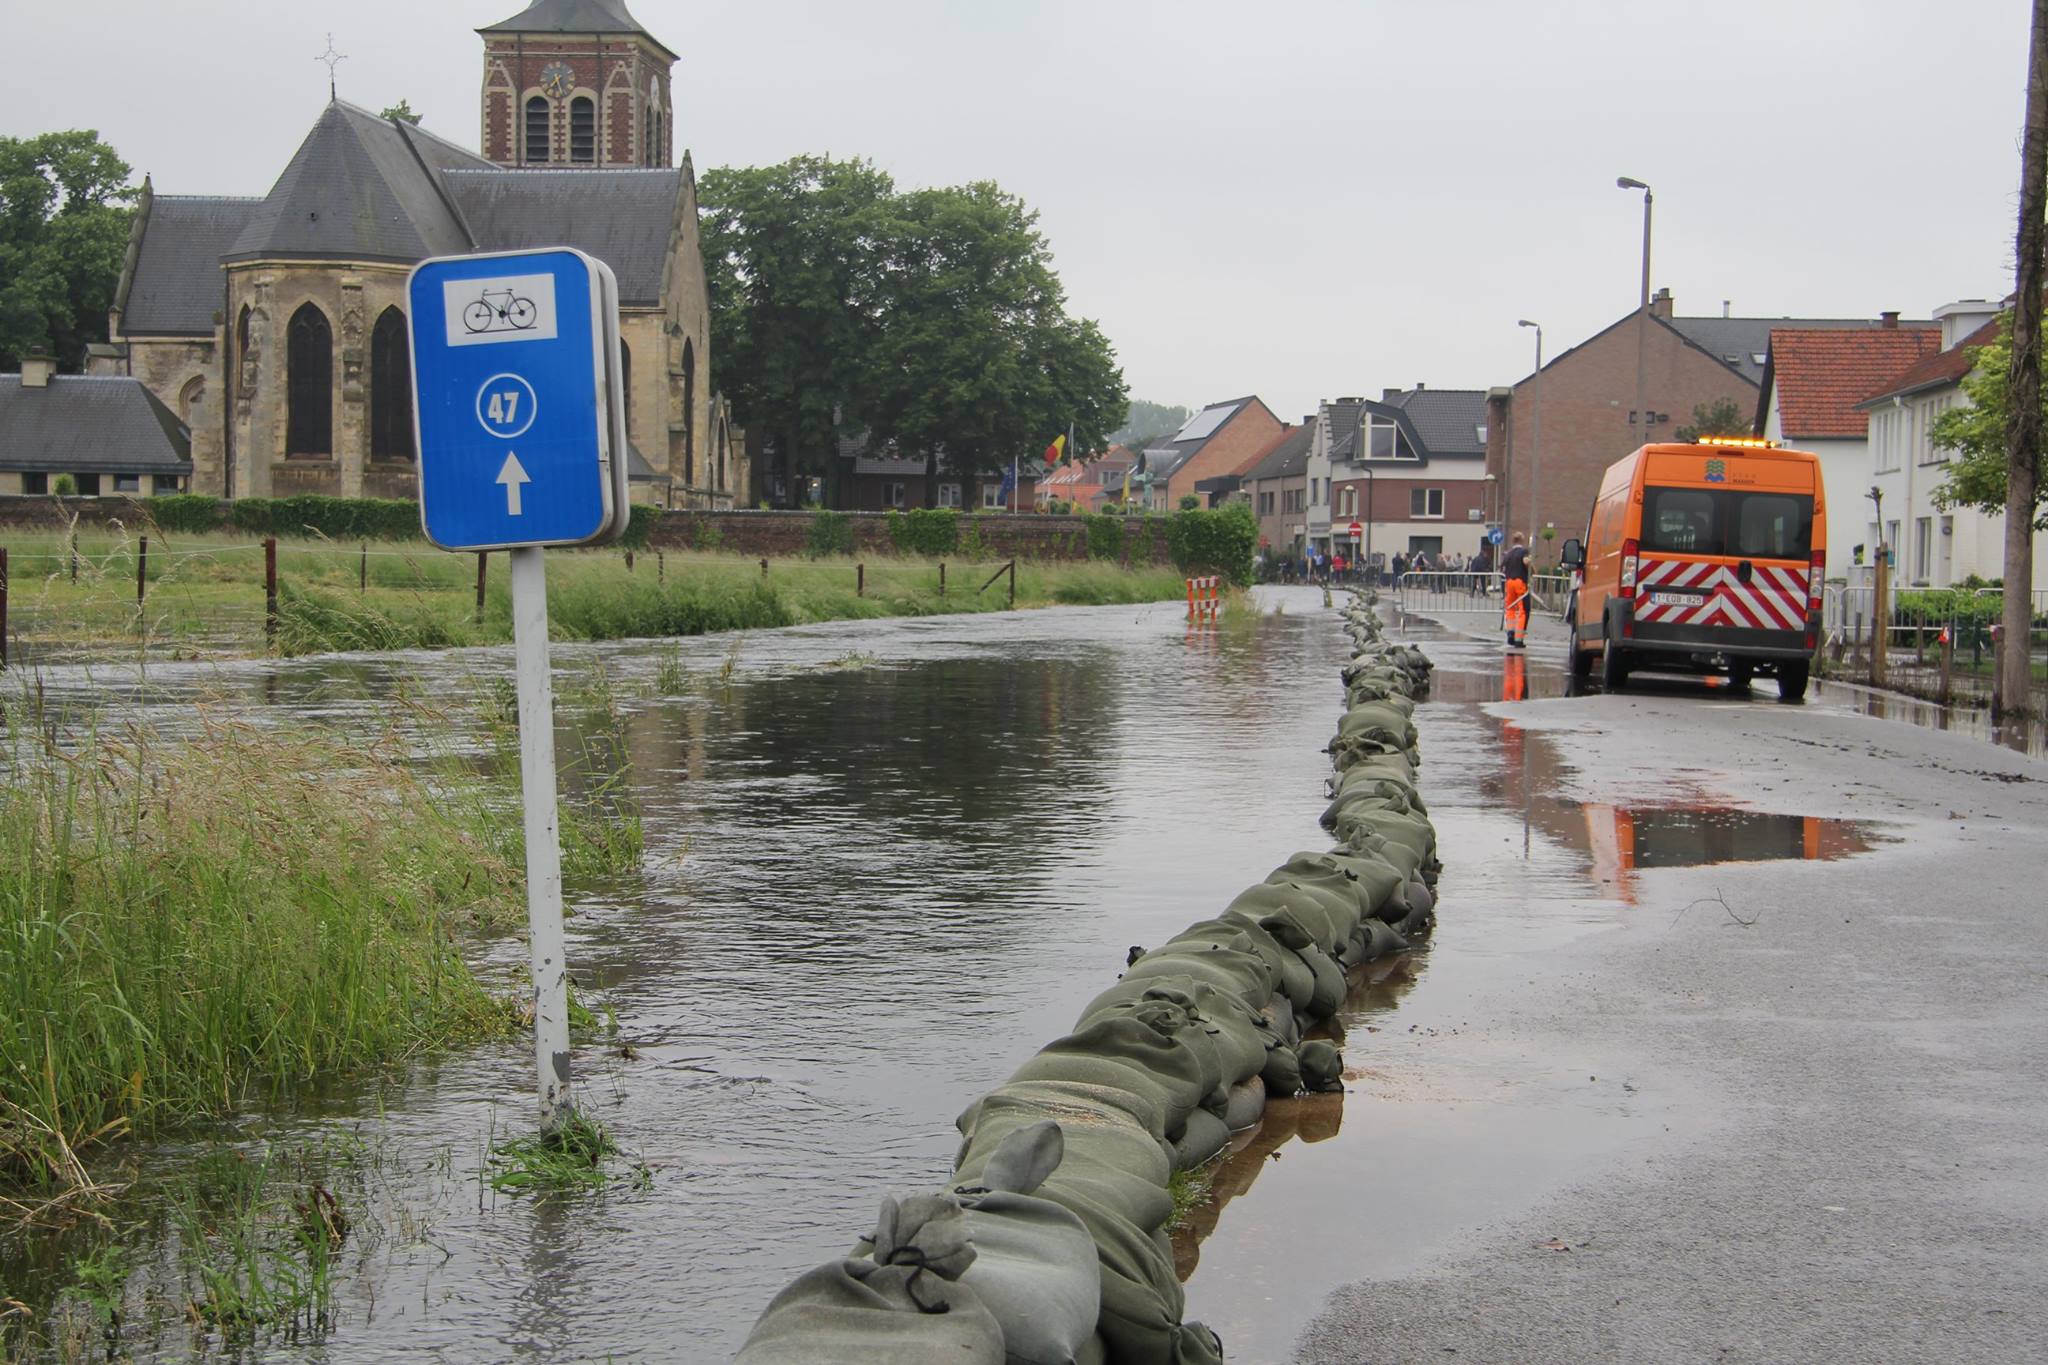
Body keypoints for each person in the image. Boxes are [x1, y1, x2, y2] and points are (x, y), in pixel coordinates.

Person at [1502, 533, 1530, 650]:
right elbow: (1526, 562)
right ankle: (1519, 638)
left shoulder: (1508, 554)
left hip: (1509, 583)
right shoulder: (1523, 551)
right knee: (1523, 609)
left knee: (1510, 608)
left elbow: (1503, 568)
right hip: (1519, 582)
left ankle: (1510, 634)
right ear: (1522, 540)